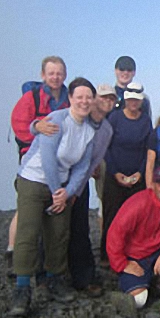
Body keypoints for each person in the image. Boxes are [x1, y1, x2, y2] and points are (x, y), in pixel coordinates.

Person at [9, 78, 97, 317]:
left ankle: (53, 280)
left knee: (59, 233)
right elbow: (48, 158)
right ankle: (22, 288)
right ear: (70, 98)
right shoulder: (57, 120)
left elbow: (82, 167)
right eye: (79, 96)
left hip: (60, 188)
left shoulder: (89, 131)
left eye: (88, 97)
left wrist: (65, 194)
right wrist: (57, 190)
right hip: (34, 180)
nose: (84, 101)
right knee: (28, 233)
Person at [6, 56, 70, 275]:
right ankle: (16, 257)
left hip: (60, 166)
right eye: (51, 73)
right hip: (33, 165)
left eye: (59, 73)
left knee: (55, 224)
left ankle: (50, 272)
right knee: (28, 218)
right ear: (43, 75)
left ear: (65, 75)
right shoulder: (31, 99)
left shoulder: (69, 100)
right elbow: (20, 125)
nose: (55, 77)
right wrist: (38, 131)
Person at [106, 167, 160, 308]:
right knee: (139, 301)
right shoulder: (138, 203)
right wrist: (122, 264)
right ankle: (129, 281)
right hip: (135, 258)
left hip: (159, 253)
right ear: (153, 185)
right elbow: (115, 234)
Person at [67, 84, 117, 295]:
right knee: (54, 229)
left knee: (80, 229)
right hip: (61, 180)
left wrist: (76, 189)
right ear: (94, 98)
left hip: (80, 183)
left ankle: (83, 277)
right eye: (103, 97)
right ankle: (48, 277)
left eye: (111, 98)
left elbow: (95, 159)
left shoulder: (106, 129)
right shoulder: (79, 118)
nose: (107, 101)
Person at [101, 82, 153, 265]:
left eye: (137, 100)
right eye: (130, 99)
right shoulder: (114, 118)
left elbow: (149, 149)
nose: (133, 103)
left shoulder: (145, 121)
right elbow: (105, 147)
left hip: (136, 177)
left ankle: (132, 254)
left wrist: (140, 173)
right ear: (125, 99)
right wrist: (115, 173)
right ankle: (107, 257)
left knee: (136, 218)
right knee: (112, 216)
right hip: (114, 176)